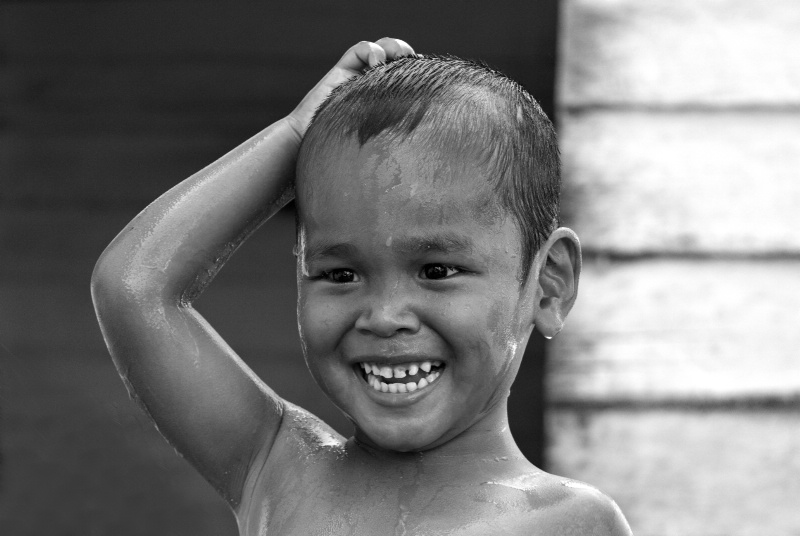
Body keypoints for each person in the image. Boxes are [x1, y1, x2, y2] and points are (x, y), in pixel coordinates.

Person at [91, 38, 632, 535]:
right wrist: (297, 137)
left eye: (437, 271)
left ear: (549, 285)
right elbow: (134, 288)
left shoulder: (572, 522)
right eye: (340, 275)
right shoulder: (277, 468)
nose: (384, 315)